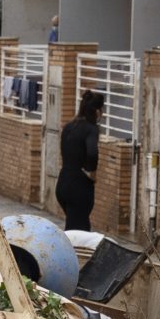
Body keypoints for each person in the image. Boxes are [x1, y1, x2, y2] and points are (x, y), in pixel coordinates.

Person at [57, 90, 104, 232]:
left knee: (73, 225)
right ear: (97, 111)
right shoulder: (91, 129)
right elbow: (92, 152)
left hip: (63, 183)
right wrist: (92, 172)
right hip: (79, 187)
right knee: (79, 231)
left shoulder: (69, 126)